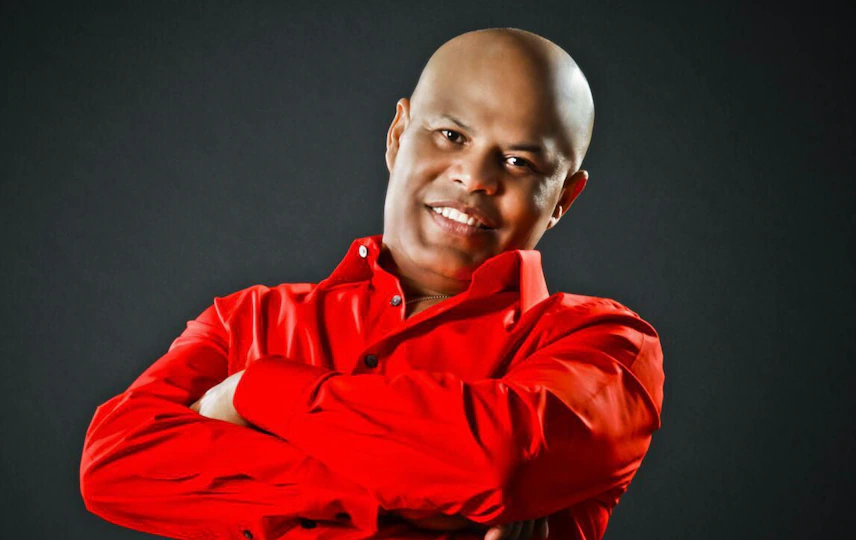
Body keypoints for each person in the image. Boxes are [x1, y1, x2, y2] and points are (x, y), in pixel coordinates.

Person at [79, 27, 664, 540]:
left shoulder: (609, 346)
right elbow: (115, 461)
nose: (473, 177)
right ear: (397, 134)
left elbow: (502, 463)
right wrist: (416, 497)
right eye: (451, 135)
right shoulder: (246, 319)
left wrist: (251, 392)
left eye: (518, 162)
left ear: (563, 198)